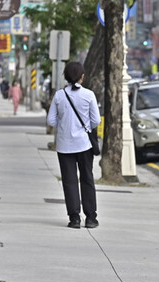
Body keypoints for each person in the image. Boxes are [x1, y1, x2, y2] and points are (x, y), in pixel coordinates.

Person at [46, 61, 101, 229]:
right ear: (82, 77)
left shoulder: (59, 96)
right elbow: (96, 120)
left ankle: (74, 218)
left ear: (65, 76)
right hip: (84, 144)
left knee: (69, 181)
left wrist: (65, 126)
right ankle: (91, 218)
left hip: (64, 146)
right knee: (87, 179)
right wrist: (83, 128)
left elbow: (51, 120)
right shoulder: (89, 95)